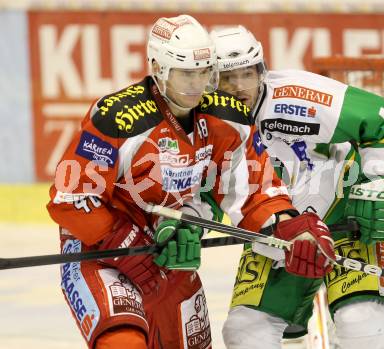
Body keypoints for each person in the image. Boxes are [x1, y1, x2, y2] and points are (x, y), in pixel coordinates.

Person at [46, 15, 336, 349]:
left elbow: (252, 191)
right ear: (158, 67)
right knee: (122, 341)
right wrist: (126, 244)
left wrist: (289, 227)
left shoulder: (227, 118)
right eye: (186, 73)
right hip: (97, 253)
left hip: (167, 254)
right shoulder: (118, 118)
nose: (197, 85)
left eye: (204, 72)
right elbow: (70, 200)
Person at [208, 26, 384, 349]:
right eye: (226, 78)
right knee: (245, 332)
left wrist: (379, 189)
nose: (238, 87)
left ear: (261, 71)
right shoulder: (206, 123)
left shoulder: (301, 97)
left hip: (348, 222)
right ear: (208, 80)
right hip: (280, 232)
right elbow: (205, 189)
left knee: (361, 325)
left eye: (247, 74)